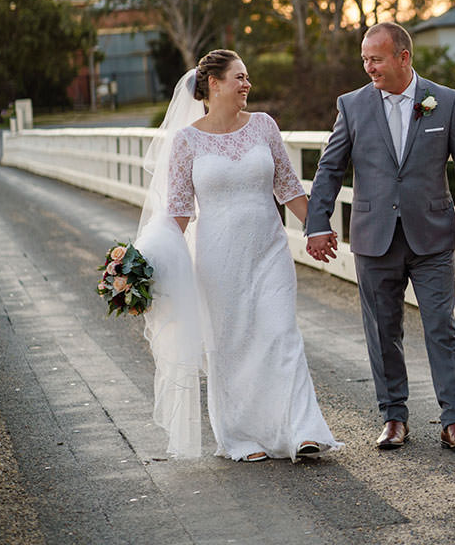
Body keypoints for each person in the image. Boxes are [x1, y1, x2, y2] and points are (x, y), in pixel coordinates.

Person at [138, 49, 341, 462]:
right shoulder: (187, 140)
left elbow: (288, 186)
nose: (247, 84)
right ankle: (240, 436)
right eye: (239, 77)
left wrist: (316, 228)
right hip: (217, 259)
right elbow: (177, 213)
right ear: (213, 83)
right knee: (231, 345)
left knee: (282, 334)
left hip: (269, 250)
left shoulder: (264, 126)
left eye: (248, 77)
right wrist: (143, 265)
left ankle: (301, 429)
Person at [305, 22, 455, 452]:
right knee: (382, 330)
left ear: (403, 57)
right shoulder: (351, 106)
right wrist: (318, 222)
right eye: (365, 59)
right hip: (374, 238)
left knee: (441, 327)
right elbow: (330, 168)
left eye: (377, 59)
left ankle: (454, 422)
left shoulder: (444, 102)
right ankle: (393, 417)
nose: (369, 67)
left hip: (433, 237)